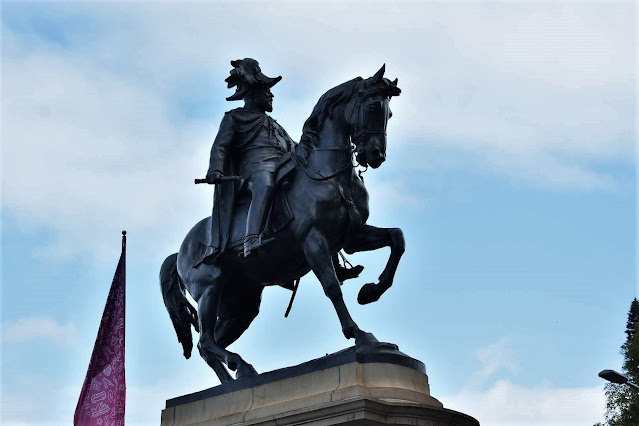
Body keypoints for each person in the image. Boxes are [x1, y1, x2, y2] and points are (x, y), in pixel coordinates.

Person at [203, 59, 294, 262]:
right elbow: (220, 146)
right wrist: (215, 169)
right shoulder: (234, 117)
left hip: (281, 166)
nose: (271, 95)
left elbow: (293, 146)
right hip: (253, 171)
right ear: (253, 93)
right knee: (265, 185)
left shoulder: (274, 125)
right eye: (266, 91)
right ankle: (251, 238)